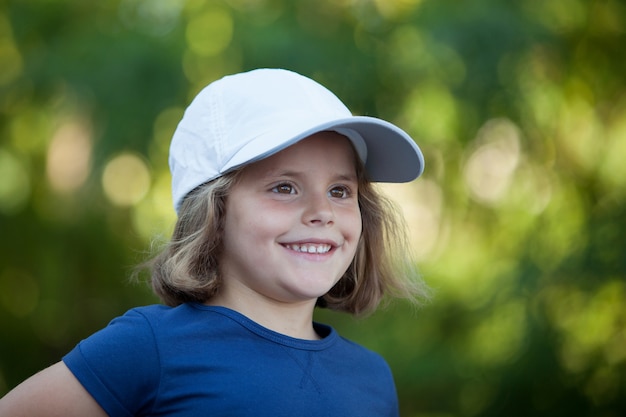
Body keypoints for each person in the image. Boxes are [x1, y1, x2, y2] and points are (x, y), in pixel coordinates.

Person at [0, 68, 429, 416]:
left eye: (340, 190)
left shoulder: (371, 378)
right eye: (284, 187)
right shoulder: (148, 348)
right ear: (214, 212)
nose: (323, 211)